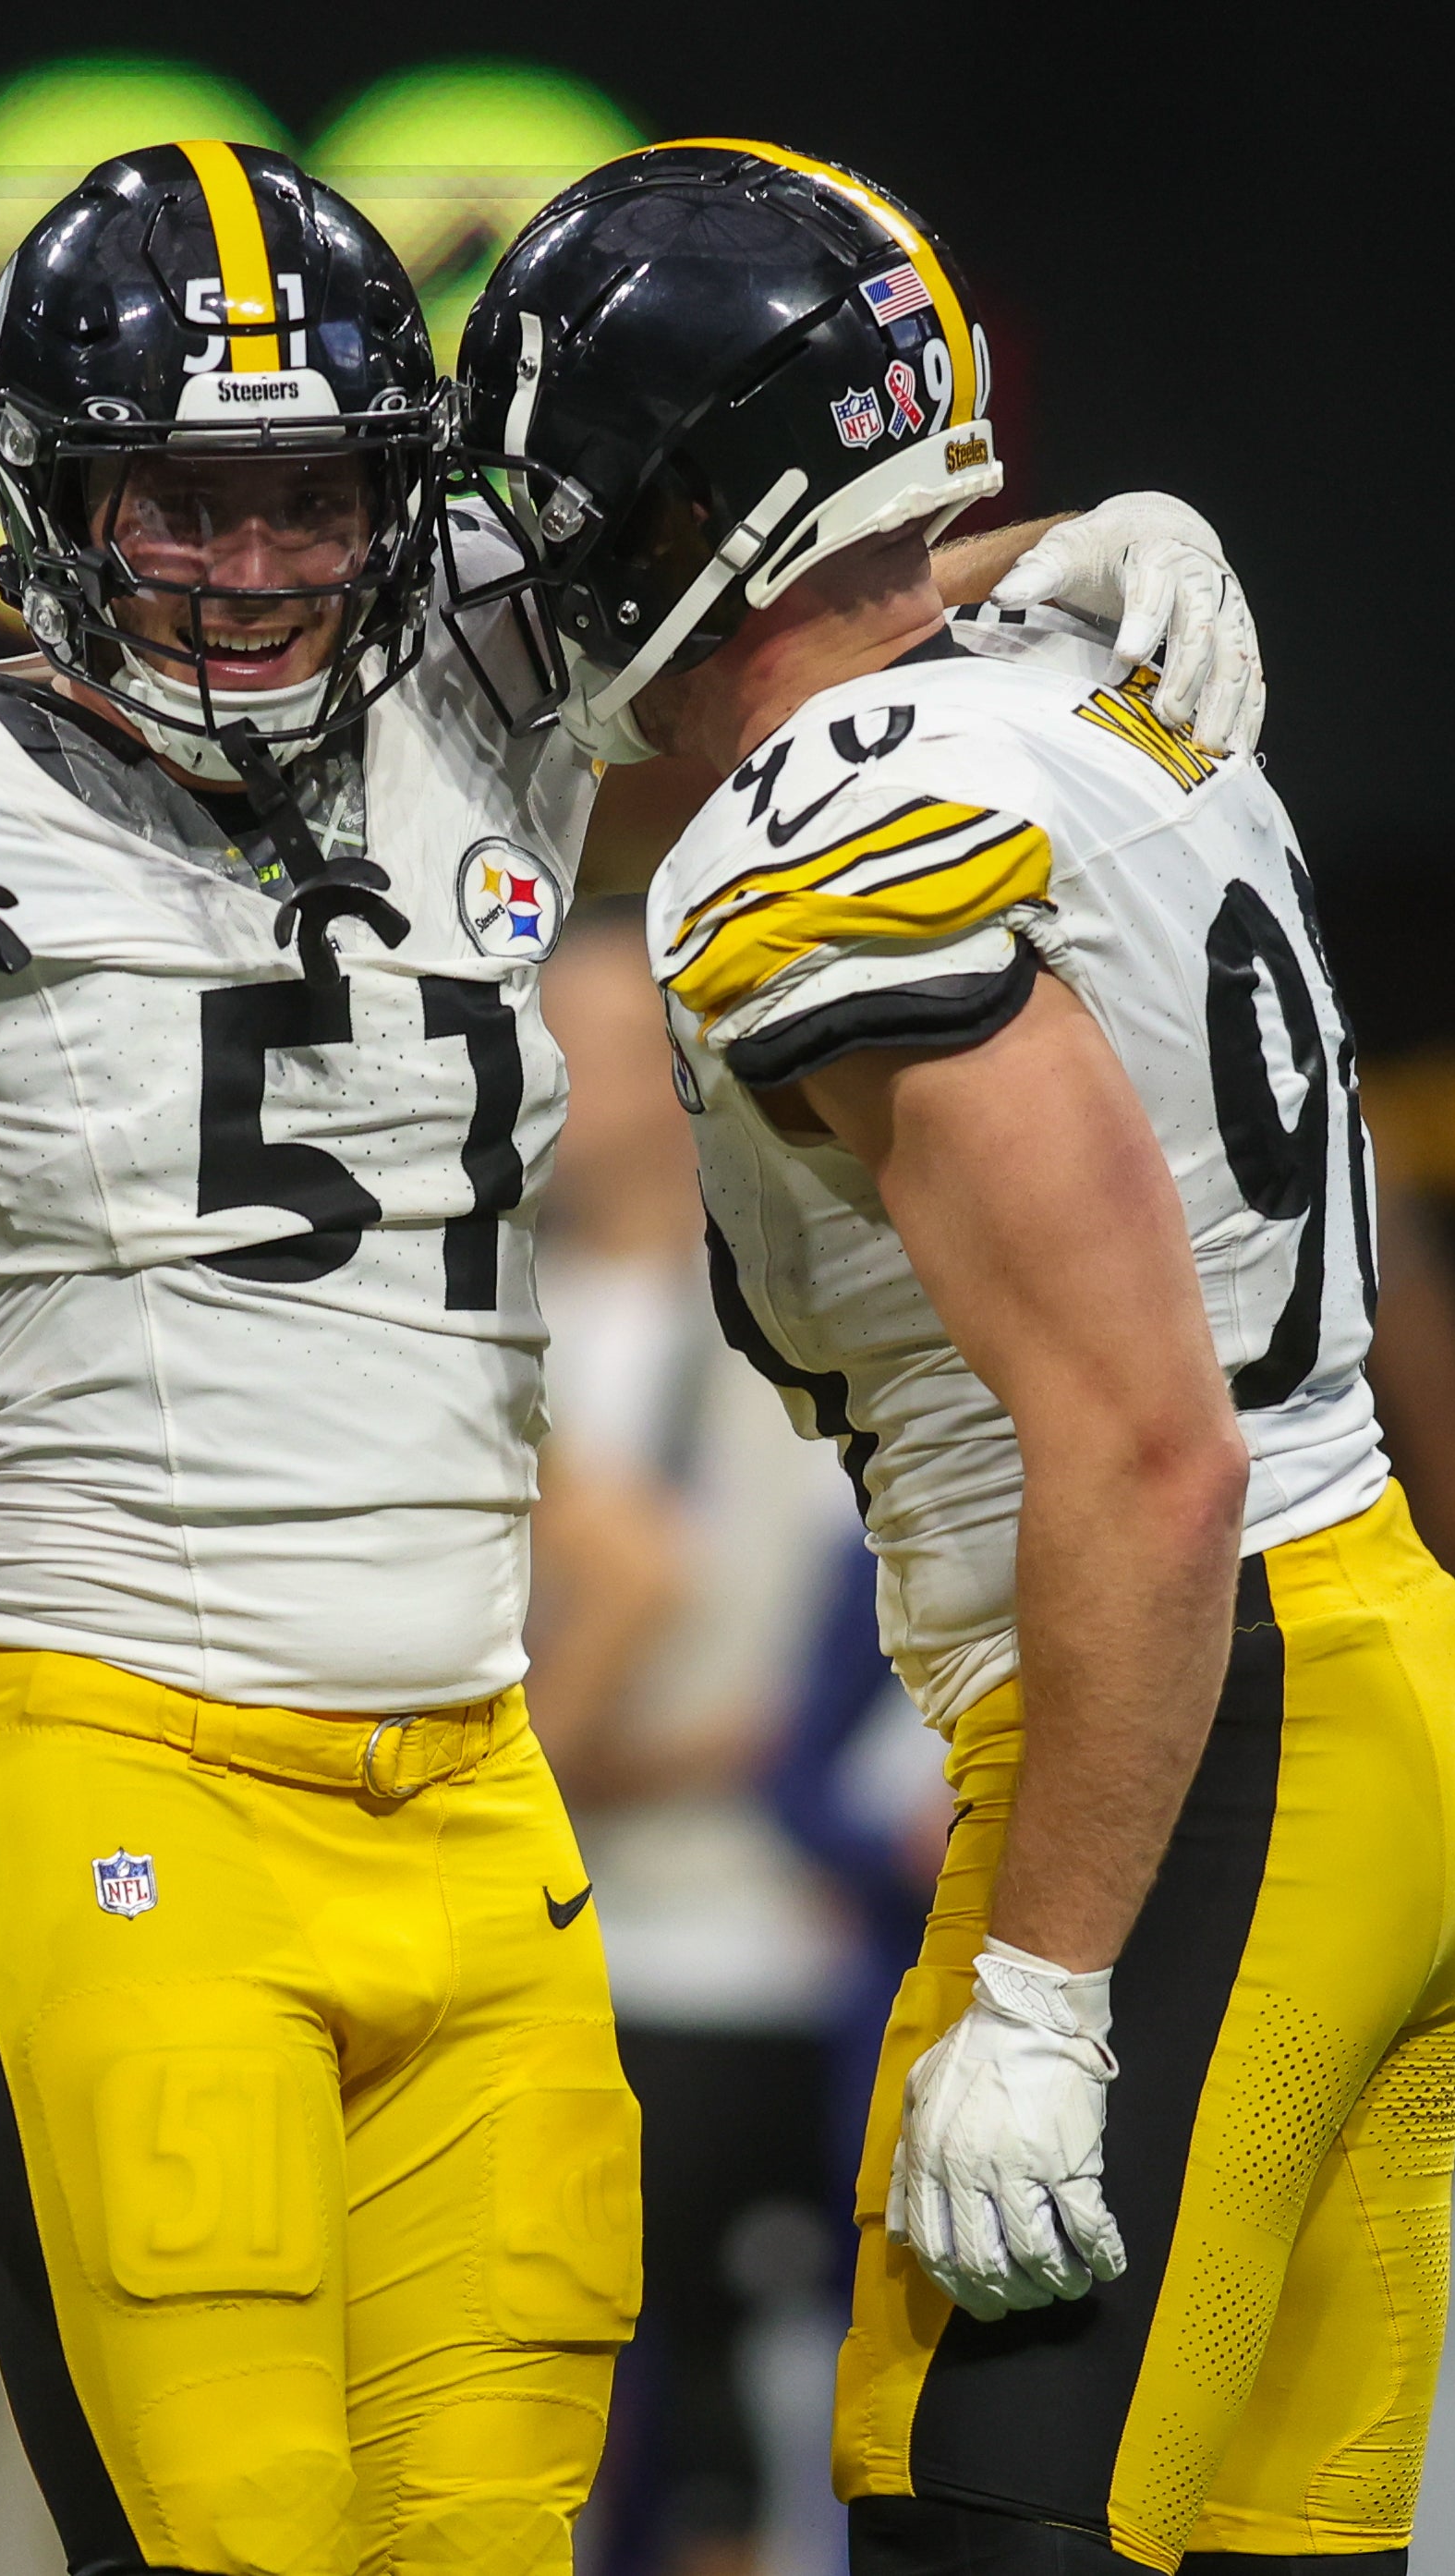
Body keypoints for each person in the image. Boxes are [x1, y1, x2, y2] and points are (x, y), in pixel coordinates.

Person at [0, 139, 1267, 2576]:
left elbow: (746, 561)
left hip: (480, 1801)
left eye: (316, 499)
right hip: (121, 1762)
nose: (254, 569)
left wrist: (1011, 565)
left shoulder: (489, 668)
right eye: (180, 503)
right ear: (51, 497)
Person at [465, 143, 1455, 2573]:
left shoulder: (803, 842)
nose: (529, 554)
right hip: (1379, 1678)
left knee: (969, 2522)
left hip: (1198, 1709)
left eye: (566, 487)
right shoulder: (1077, 675)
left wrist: (1044, 1985)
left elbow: (1142, 1449)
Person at [529, 904, 866, 2576]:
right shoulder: (475, 1314)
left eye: (612, 1053)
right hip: (521, 1949)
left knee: (720, 2418)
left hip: (743, 1951)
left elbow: (819, 1675)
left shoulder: (801, 1312)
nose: (577, 1090)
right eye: (553, 1046)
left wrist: (586, 1738)